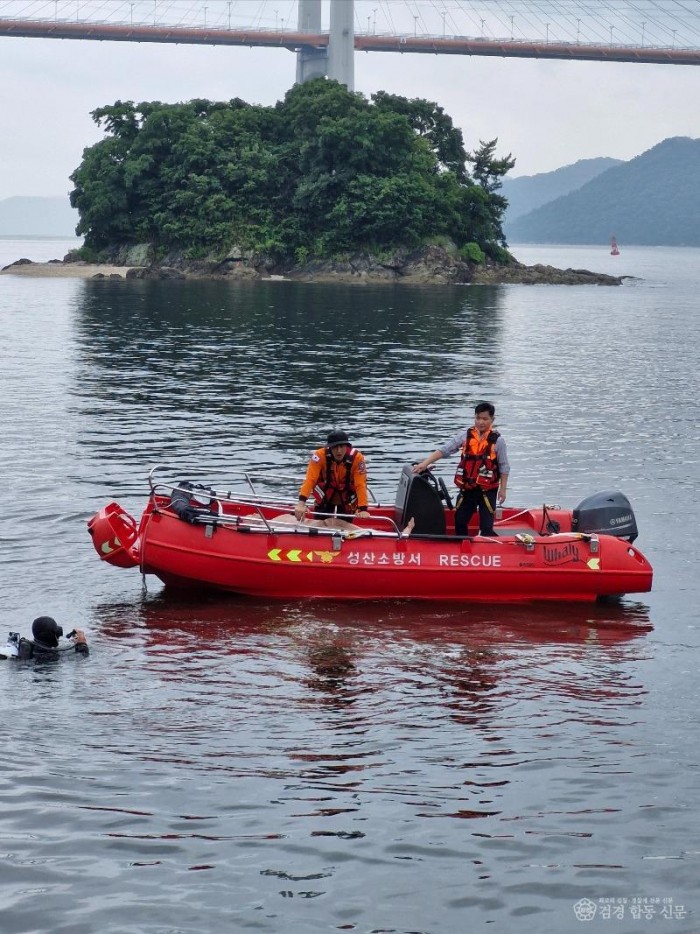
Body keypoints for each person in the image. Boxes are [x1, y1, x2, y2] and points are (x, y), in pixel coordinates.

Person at [413, 401, 509, 536]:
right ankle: (462, 547)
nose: (481, 422)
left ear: (492, 420)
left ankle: (485, 548)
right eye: (478, 418)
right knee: (460, 520)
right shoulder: (465, 435)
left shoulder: (498, 441)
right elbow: (445, 450)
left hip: (488, 491)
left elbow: (504, 467)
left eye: (485, 419)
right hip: (468, 488)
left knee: (486, 526)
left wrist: (503, 490)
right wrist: (425, 463)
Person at [295, 429, 371, 522]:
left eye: (342, 446)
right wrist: (301, 503)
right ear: (329, 447)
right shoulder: (319, 456)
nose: (339, 451)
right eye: (335, 447)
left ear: (347, 446)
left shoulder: (357, 458)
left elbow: (360, 484)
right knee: (319, 524)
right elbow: (310, 479)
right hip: (325, 498)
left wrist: (363, 509)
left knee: (345, 526)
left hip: (346, 500)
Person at [1, 616, 89, 660]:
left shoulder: (30, 646)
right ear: (51, 636)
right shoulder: (50, 656)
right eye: (55, 632)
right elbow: (81, 657)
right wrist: (82, 643)